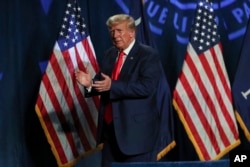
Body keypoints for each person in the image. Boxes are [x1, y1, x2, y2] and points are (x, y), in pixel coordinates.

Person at [75, 14, 164, 167]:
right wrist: (90, 84)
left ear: (132, 33)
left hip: (136, 136)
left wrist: (113, 86)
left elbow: (147, 87)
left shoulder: (147, 55)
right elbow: (104, 83)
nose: (115, 35)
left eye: (119, 31)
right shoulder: (109, 54)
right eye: (111, 31)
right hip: (111, 133)